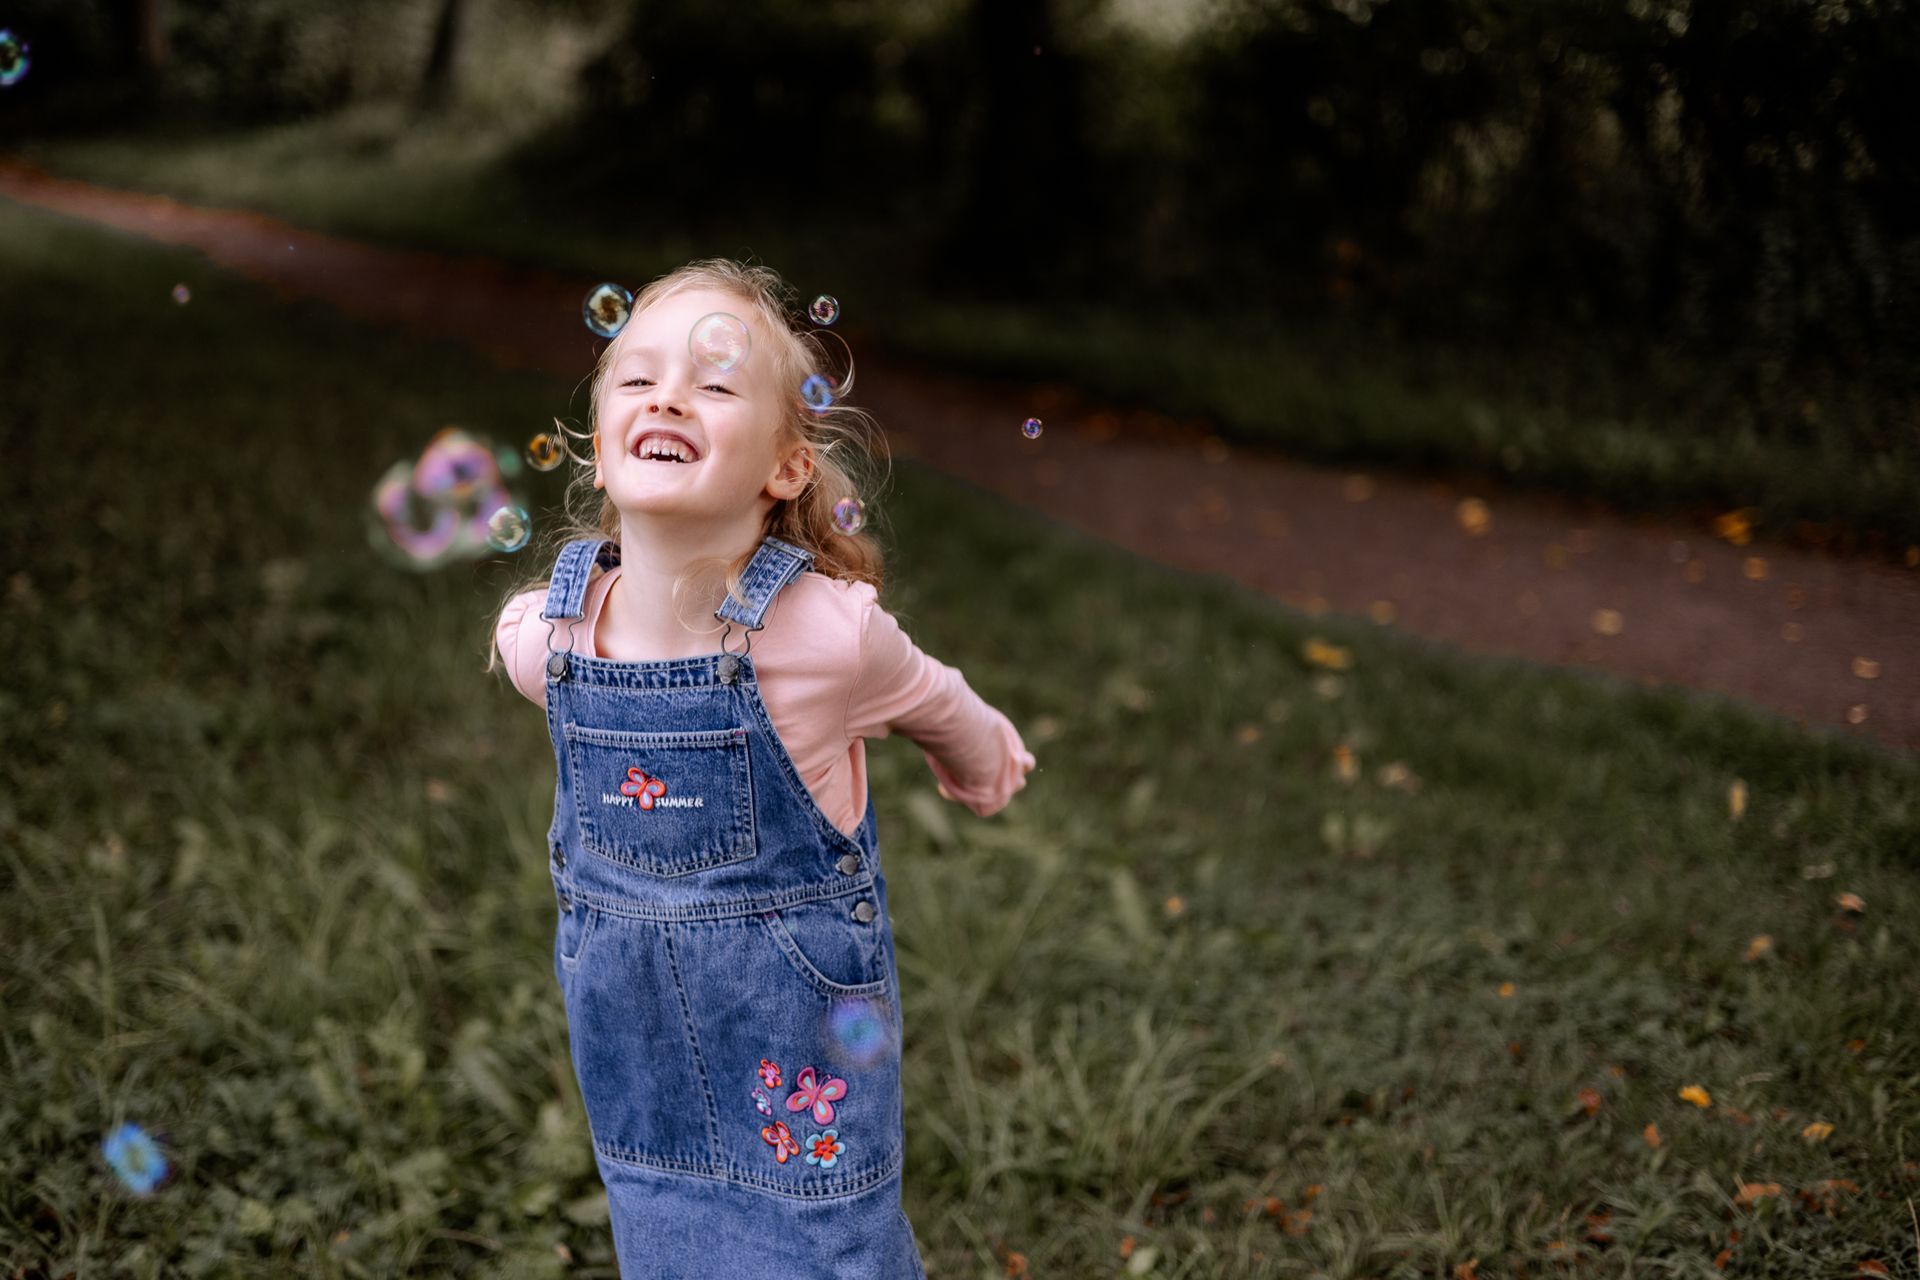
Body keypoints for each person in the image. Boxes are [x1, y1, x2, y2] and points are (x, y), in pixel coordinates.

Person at [490, 257, 1036, 1277]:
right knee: (669, 1238)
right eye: (637, 375)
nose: (667, 395)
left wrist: (985, 754)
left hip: (800, 1064)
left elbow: (930, 693)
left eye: (715, 381)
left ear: (787, 467)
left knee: (829, 1249)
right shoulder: (549, 641)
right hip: (641, 1074)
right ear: (598, 453)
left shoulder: (827, 634)